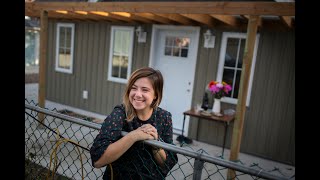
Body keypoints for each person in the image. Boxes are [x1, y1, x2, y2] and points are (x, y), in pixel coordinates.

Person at [90, 67, 178, 179]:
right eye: (134, 88)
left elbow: (167, 164)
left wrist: (156, 144)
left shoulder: (164, 117)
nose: (137, 94)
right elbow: (97, 160)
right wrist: (134, 136)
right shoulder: (120, 113)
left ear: (156, 94)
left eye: (145, 90)